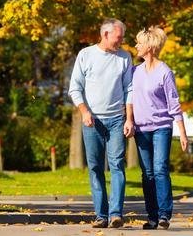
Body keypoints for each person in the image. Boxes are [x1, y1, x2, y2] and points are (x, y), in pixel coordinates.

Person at [68, 18, 134, 228]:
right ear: (105, 35)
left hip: (116, 120)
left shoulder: (125, 57)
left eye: (122, 38)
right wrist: (84, 111)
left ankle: (116, 214)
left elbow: (129, 89)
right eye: (118, 38)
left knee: (117, 166)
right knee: (95, 167)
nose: (121, 42)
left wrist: (129, 119)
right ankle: (100, 215)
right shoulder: (86, 55)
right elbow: (75, 88)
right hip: (92, 121)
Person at [132, 26, 188, 230]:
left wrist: (182, 132)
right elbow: (129, 98)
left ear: (150, 46)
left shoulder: (165, 72)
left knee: (160, 169)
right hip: (141, 129)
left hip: (162, 127)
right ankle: (152, 217)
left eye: (140, 42)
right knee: (147, 173)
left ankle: (164, 214)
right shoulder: (134, 71)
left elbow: (174, 103)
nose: (136, 45)